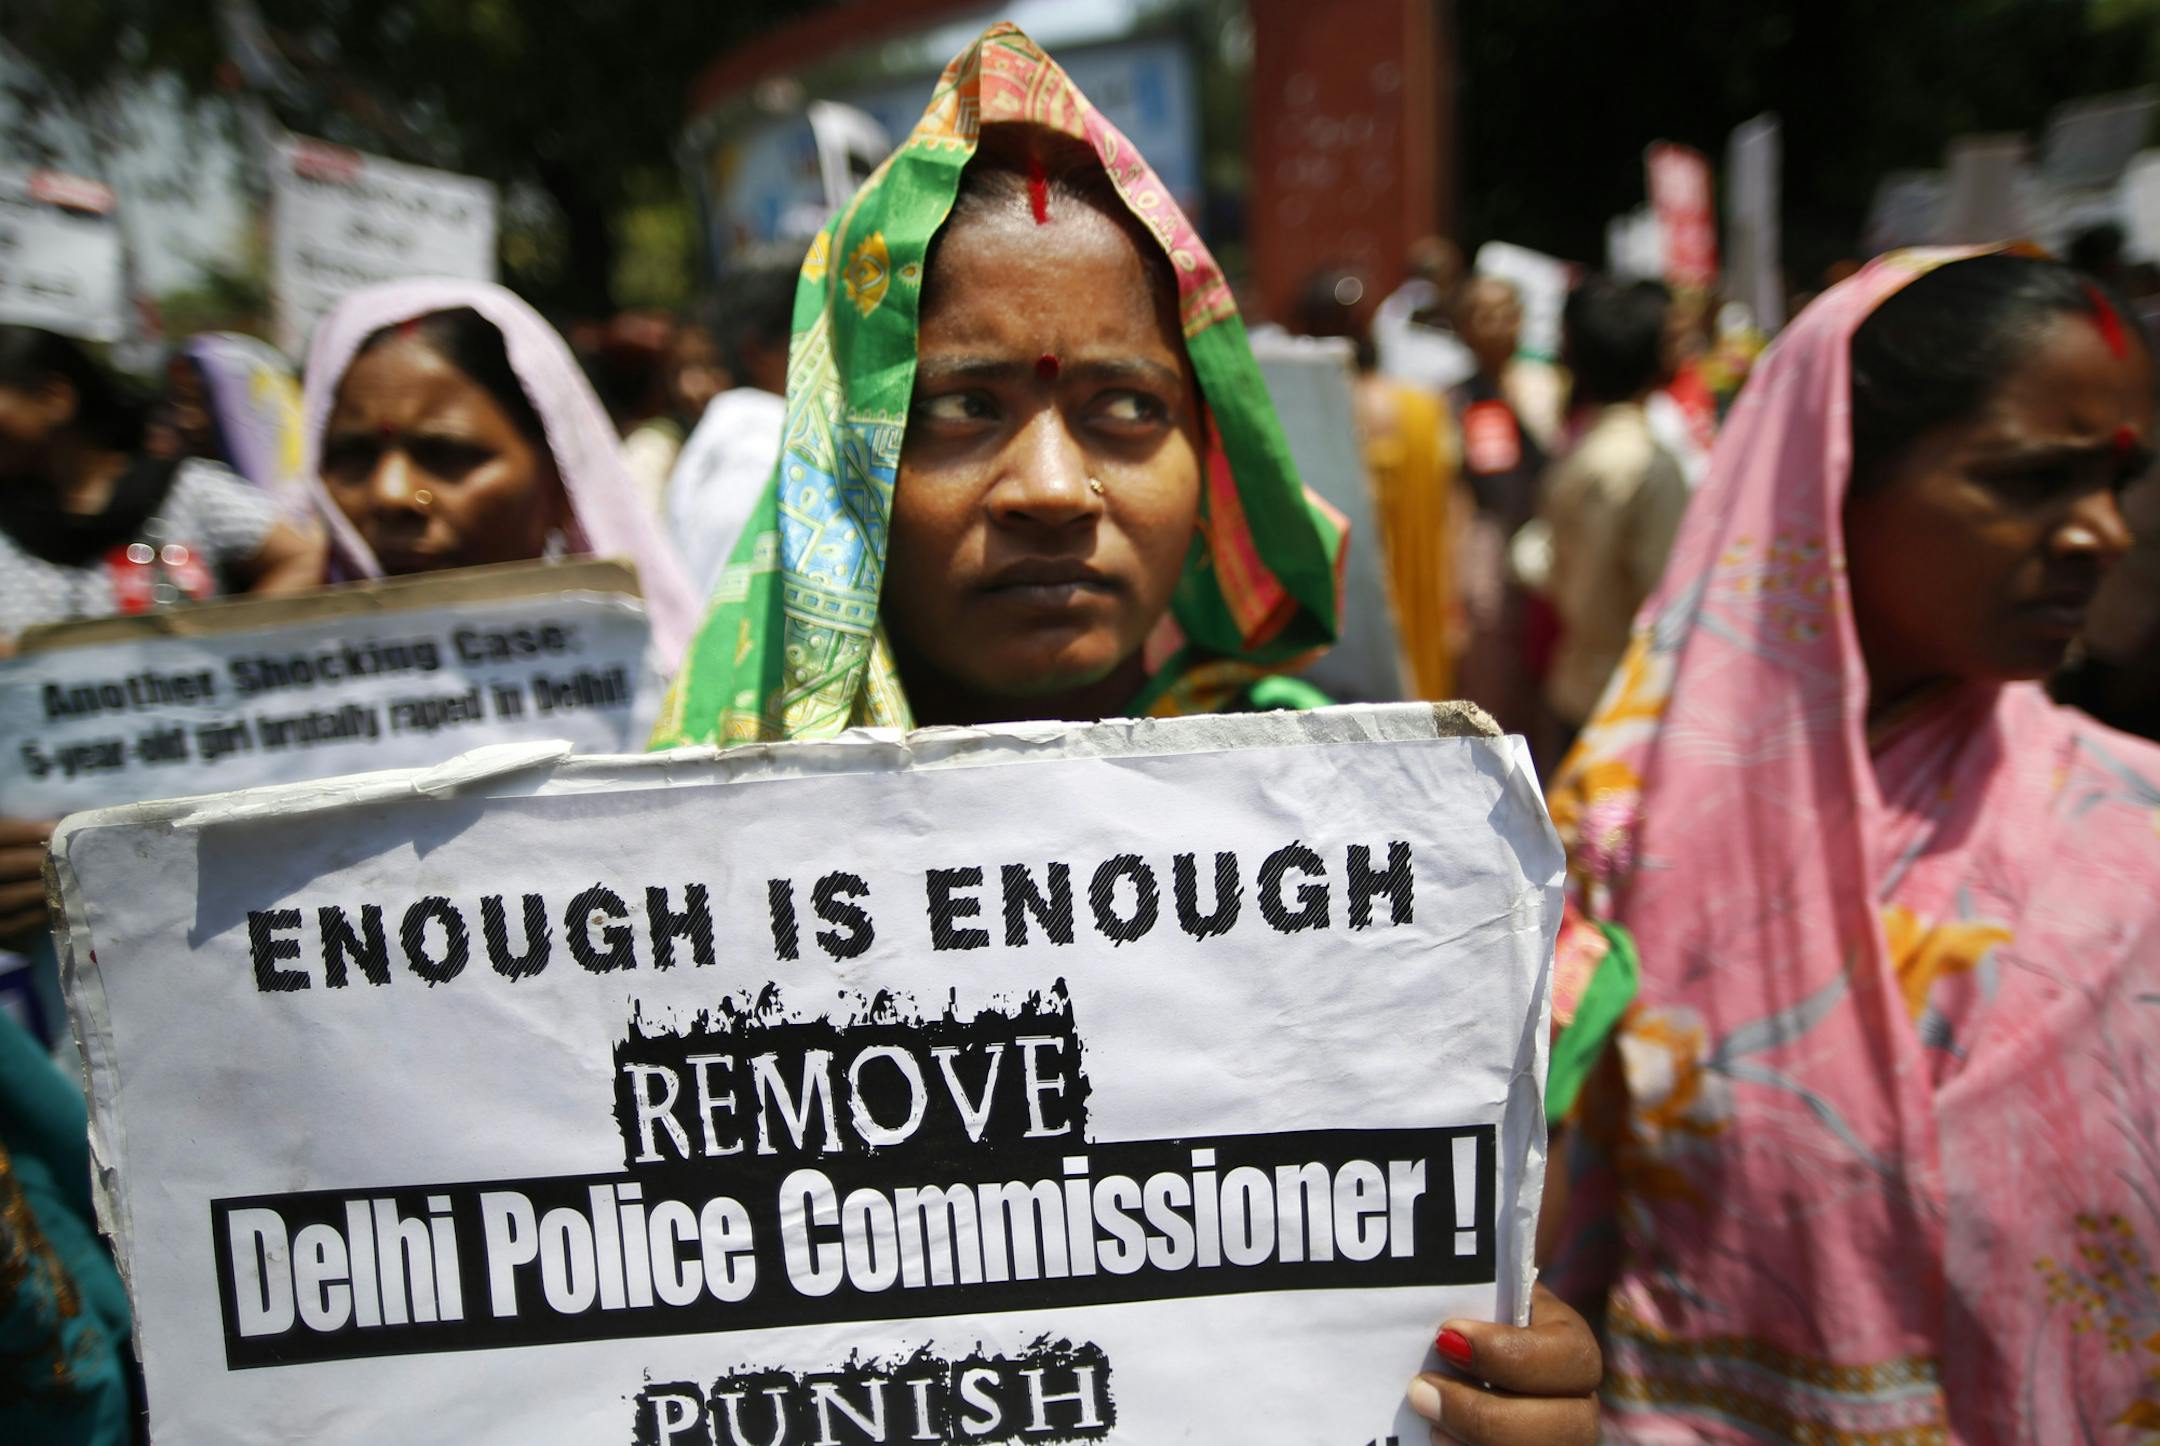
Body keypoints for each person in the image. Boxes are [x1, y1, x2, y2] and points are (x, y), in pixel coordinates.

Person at [651, 27, 1601, 1439]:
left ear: (1207, 460)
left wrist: (1515, 1395)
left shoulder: (1392, 850)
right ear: (844, 456)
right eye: (964, 408)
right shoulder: (669, 884)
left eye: (1124, 408)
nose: (1051, 484)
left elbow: (1465, 1298)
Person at [1543, 250, 2160, 1440]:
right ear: (1828, 492)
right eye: (2030, 479)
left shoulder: (2128, 828)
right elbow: (1553, 1246)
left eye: (2116, 482)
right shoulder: (1620, 835)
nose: (2101, 535)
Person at [299, 280, 699, 663]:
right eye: (353, 454)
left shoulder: (669, 706)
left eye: (446, 454)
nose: (393, 494)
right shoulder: (265, 697)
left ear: (558, 479)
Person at [1529, 279, 1689, 754]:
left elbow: (1549, 567)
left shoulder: (1580, 453)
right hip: (1629, 707)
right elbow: (1665, 597)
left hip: (1575, 686)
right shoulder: (1649, 465)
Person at [1292, 266, 1466, 701]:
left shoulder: (1295, 422)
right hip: (1416, 616)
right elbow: (1455, 517)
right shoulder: (1423, 409)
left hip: (1335, 633)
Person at [1450, 275, 1554, 733]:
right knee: (1489, 655)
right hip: (1488, 540)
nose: (1494, 326)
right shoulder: (1454, 398)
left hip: (1549, 538)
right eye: (1481, 315)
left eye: (1504, 313)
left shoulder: (1548, 386)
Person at [665, 255, 797, 598]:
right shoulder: (759, 456)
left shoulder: (747, 442)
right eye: (820, 331)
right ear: (759, 352)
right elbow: (730, 609)